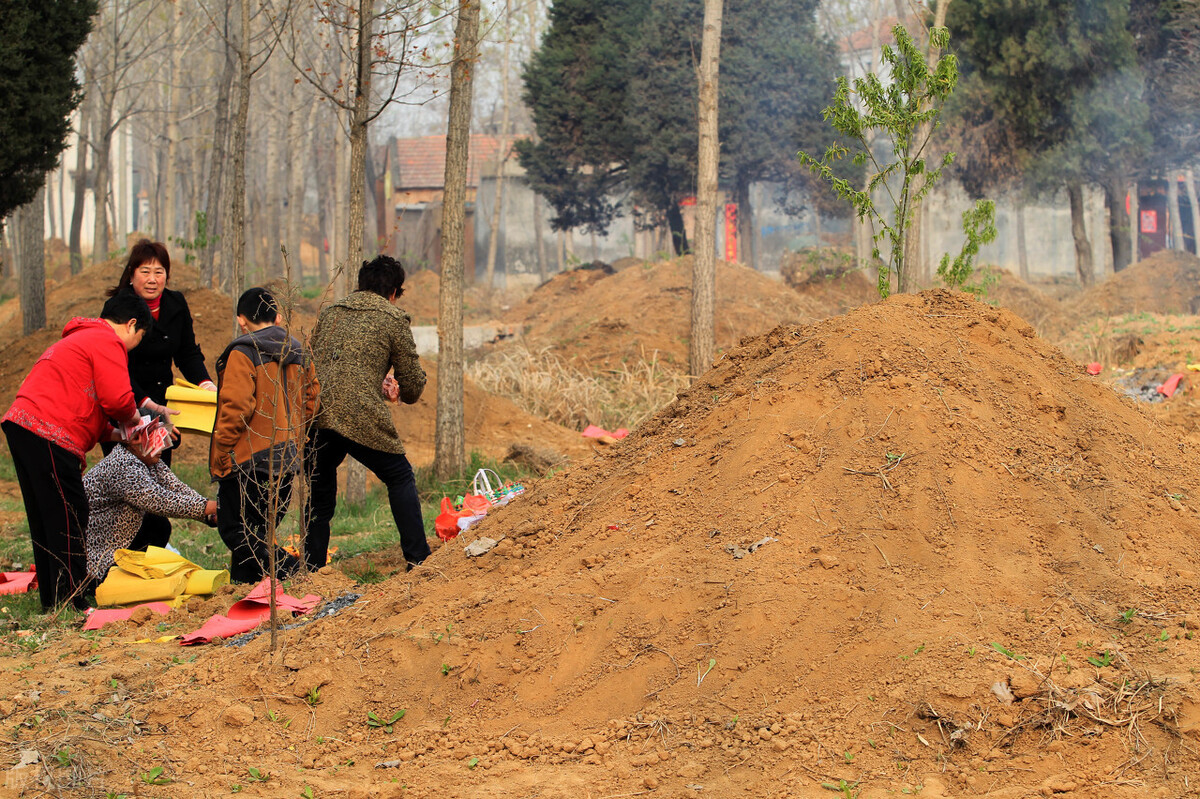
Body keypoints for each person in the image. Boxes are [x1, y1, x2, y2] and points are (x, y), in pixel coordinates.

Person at [2, 291, 153, 610]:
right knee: (69, 513)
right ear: (130, 325)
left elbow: (96, 416)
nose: (131, 349)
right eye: (137, 340)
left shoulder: (82, 340)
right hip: (48, 429)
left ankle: (55, 599)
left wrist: (119, 434)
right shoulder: (107, 341)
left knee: (47, 513)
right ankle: (72, 599)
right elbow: (118, 400)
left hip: (23, 423)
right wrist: (139, 425)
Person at [305, 254, 430, 571]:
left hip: (316, 412)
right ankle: (418, 559)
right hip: (360, 414)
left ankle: (312, 568)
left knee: (320, 495)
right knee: (399, 476)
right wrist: (397, 384)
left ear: (360, 284)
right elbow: (413, 387)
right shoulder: (393, 318)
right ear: (394, 292)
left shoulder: (332, 312)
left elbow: (325, 361)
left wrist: (377, 376)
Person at [102, 239, 214, 552]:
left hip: (163, 409)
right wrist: (145, 408)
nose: (153, 279)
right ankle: (125, 549)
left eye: (160, 271)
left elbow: (188, 352)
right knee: (129, 480)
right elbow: (113, 366)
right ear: (132, 274)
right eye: (146, 271)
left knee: (157, 473)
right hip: (125, 403)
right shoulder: (118, 308)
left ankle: (149, 548)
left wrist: (204, 383)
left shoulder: (176, 304)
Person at [210, 287, 320, 583]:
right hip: (287, 456)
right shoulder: (298, 350)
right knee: (258, 531)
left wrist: (222, 452)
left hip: (249, 460)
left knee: (235, 529)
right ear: (278, 317)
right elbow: (312, 399)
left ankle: (295, 570)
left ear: (241, 321)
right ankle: (244, 586)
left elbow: (237, 408)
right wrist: (295, 432)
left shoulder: (243, 352)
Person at [84, 412, 217, 582]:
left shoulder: (148, 460)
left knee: (158, 525)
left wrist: (208, 515)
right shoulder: (123, 464)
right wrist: (209, 507)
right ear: (135, 440)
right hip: (99, 557)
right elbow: (158, 499)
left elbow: (176, 488)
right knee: (157, 525)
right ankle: (110, 580)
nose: (162, 445)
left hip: (118, 542)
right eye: (155, 438)